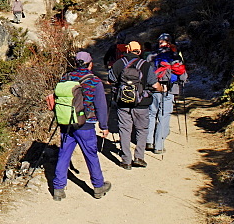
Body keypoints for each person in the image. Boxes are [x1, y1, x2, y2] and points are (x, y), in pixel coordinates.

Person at [52, 50, 111, 200]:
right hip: (86, 124)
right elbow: (101, 106)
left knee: (64, 154)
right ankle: (98, 187)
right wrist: (104, 126)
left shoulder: (66, 77)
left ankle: (58, 189)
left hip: (67, 123)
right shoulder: (94, 81)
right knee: (91, 155)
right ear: (90, 64)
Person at [108, 41, 158, 169]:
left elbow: (110, 81)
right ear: (139, 51)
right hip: (141, 103)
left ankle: (126, 160)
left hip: (123, 103)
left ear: (127, 50)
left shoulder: (119, 64)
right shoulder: (146, 65)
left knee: (125, 130)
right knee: (142, 130)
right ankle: (139, 157)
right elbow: (154, 85)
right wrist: (161, 89)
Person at [147, 33, 187, 154]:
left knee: (152, 114)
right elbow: (183, 75)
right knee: (164, 116)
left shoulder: (151, 56)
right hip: (170, 89)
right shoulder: (175, 57)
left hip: (154, 88)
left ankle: (148, 141)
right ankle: (159, 145)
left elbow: (147, 72)